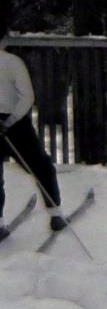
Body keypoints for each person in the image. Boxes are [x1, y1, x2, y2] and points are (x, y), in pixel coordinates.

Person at [0, 35, 67, 241]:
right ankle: (55, 215)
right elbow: (27, 96)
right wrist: (11, 120)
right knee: (41, 166)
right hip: (14, 124)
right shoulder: (12, 62)